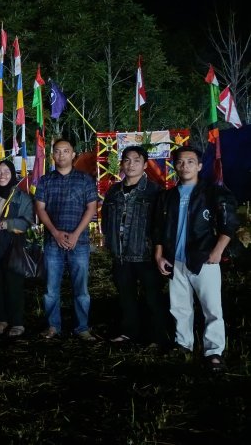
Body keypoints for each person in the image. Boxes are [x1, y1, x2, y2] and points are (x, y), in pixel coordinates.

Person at [153, 145, 239, 372]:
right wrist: (159, 254)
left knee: (212, 308)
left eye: (190, 162)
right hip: (176, 260)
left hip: (204, 258)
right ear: (175, 166)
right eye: (180, 162)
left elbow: (229, 223)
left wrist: (217, 250)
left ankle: (214, 352)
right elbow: (159, 228)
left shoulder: (213, 192)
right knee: (179, 307)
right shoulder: (168, 196)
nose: (185, 166)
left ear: (199, 166)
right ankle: (183, 344)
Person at [101, 145, 169, 348]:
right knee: (126, 297)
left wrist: (159, 250)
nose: (131, 165)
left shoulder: (155, 191)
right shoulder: (114, 191)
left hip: (146, 254)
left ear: (145, 165)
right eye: (127, 160)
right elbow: (106, 219)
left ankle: (158, 337)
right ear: (122, 164)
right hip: (120, 254)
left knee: (152, 298)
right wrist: (111, 242)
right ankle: (129, 333)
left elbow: (161, 225)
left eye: (136, 161)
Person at [35, 138, 98, 341]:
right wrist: (54, 232)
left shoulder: (85, 180)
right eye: (57, 151)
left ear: (73, 154)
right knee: (51, 289)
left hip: (79, 242)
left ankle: (82, 327)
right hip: (53, 243)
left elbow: (91, 208)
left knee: (81, 289)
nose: (61, 155)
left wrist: (76, 234)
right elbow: (40, 209)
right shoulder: (45, 180)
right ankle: (53, 326)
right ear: (52, 155)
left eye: (65, 151)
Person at [0, 159, 35, 338]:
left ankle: (17, 323)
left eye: (6, 172)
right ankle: (1, 321)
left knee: (13, 285)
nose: (2, 175)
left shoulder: (21, 196)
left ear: (13, 175)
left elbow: (27, 221)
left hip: (13, 246)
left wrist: (3, 225)